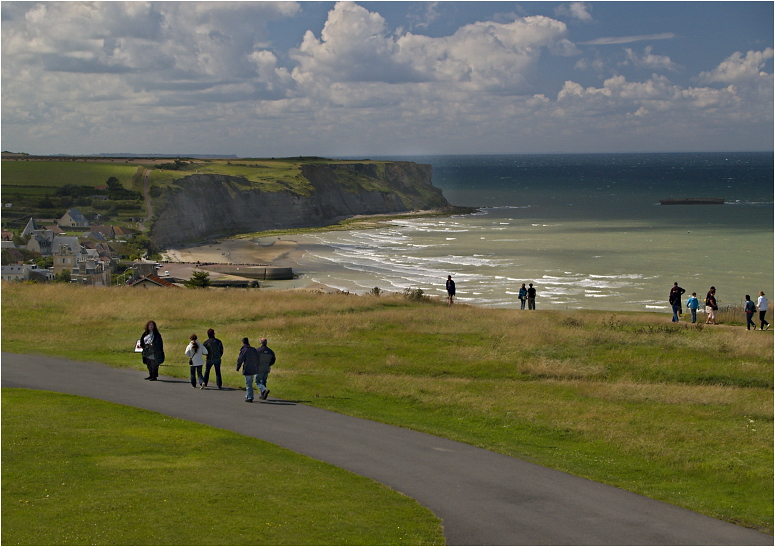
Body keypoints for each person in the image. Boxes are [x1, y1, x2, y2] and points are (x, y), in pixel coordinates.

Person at [236, 337, 260, 402]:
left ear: (243, 342)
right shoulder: (253, 349)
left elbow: (240, 359)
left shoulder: (244, 350)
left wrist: (238, 367)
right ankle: (248, 395)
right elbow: (257, 358)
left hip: (247, 368)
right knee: (250, 382)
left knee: (248, 383)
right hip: (254, 368)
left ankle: (250, 397)